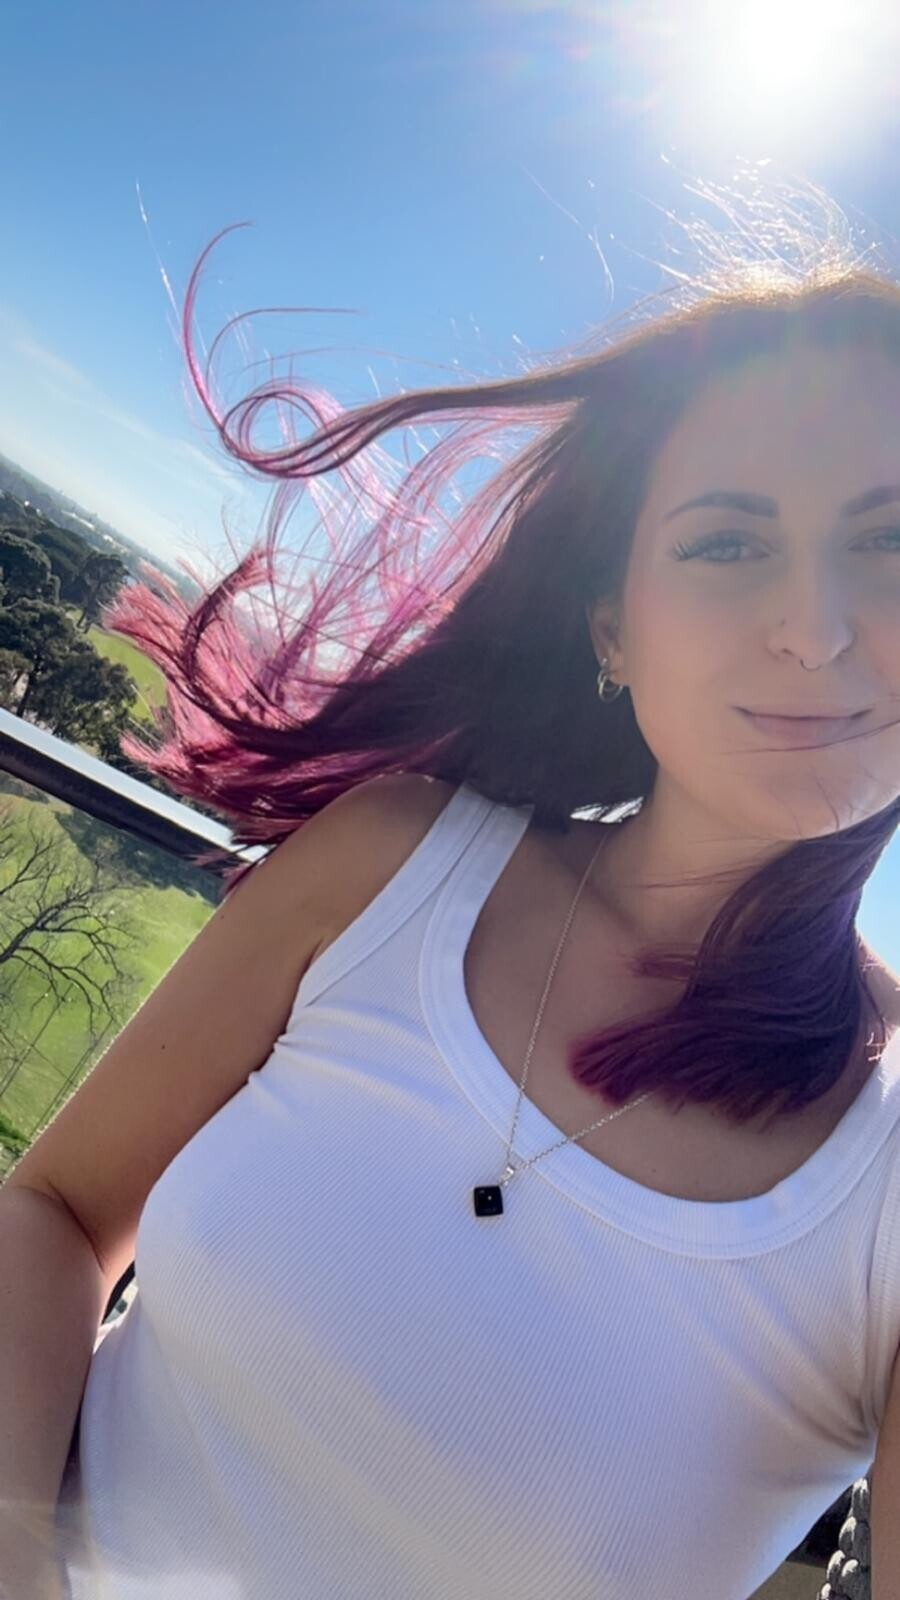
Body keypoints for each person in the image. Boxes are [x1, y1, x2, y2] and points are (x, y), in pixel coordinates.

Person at [3, 198, 900, 1600]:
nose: (816, 627)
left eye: (893, 541)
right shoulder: (393, 863)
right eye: (728, 544)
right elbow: (57, 1211)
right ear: (612, 626)